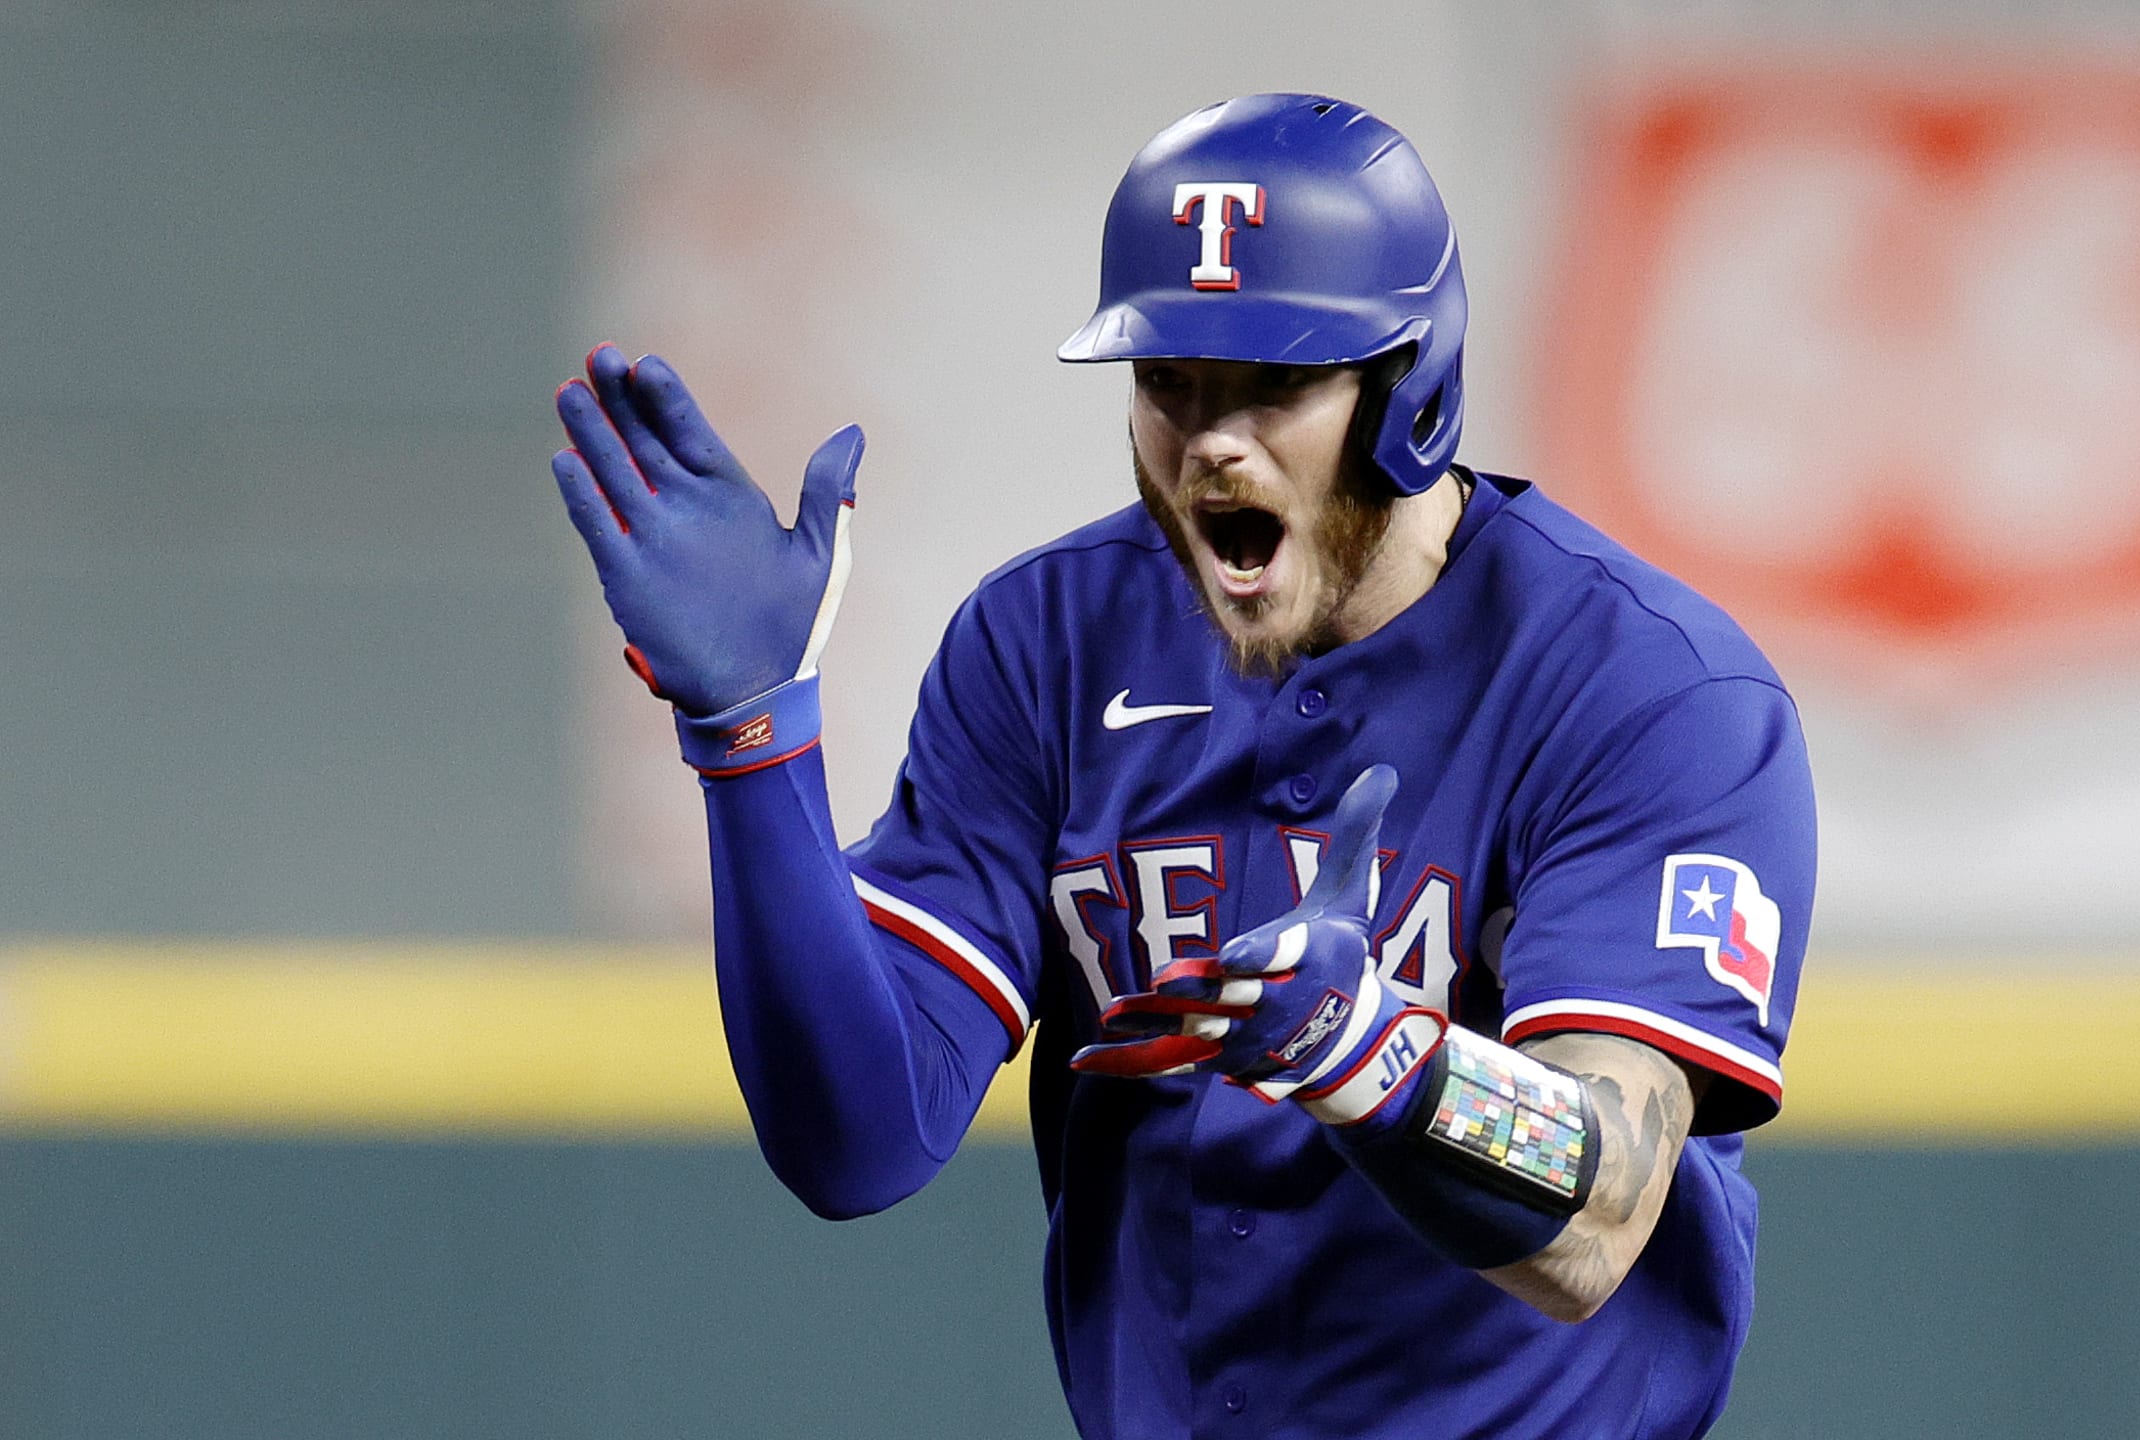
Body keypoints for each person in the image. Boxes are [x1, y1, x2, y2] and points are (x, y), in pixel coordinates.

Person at [550, 92, 1815, 1440]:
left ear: (1413, 391)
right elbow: (855, 1141)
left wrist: (1375, 1056)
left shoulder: (1646, 688)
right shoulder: (1047, 644)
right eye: (1171, 383)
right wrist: (754, 742)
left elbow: (1603, 1212)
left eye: (1273, 384)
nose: (1213, 437)